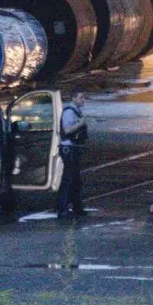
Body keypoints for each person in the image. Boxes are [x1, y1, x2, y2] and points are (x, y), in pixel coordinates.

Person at [54, 92, 88, 220]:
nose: (83, 100)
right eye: (81, 97)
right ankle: (62, 208)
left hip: (74, 147)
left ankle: (76, 207)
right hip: (69, 148)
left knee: (75, 180)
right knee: (69, 179)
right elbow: (67, 130)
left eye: (83, 97)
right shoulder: (69, 112)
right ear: (73, 98)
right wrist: (81, 123)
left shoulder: (76, 111)